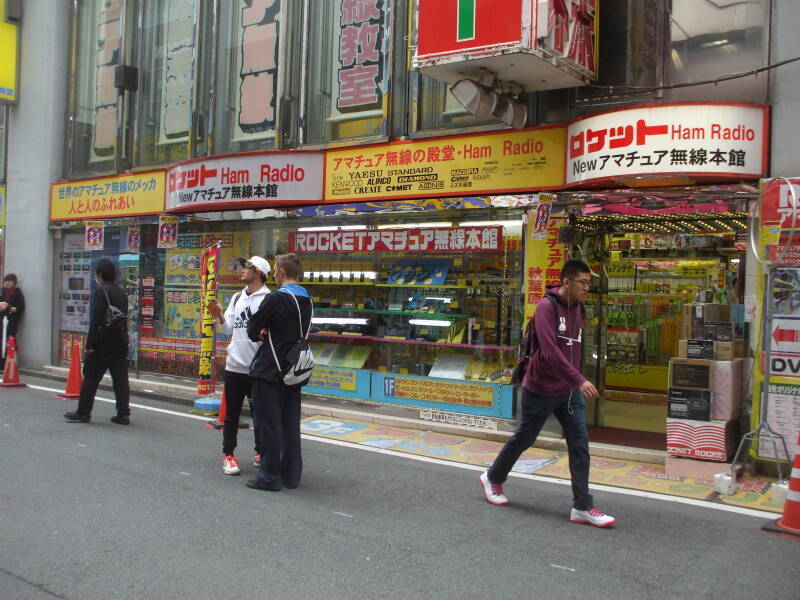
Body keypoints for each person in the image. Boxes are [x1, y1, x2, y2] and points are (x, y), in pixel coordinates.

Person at [479, 259, 616, 527]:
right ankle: (493, 477)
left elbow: (574, 348)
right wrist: (579, 379)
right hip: (540, 388)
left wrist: (574, 381)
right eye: (583, 282)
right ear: (567, 282)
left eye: (590, 283)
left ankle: (582, 507)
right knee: (524, 438)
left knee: (580, 444)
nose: (588, 288)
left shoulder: (579, 308)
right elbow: (551, 351)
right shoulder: (546, 307)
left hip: (568, 392)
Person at [245, 253, 312, 491]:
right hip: (294, 369)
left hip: (270, 369)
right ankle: (291, 474)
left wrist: (262, 331)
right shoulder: (307, 299)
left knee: (269, 424)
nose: (274, 273)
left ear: (282, 272)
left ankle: (269, 476)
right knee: (290, 424)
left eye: (275, 269)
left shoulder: (275, 299)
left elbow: (253, 328)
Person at [207, 256, 271, 475]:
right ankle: (229, 455)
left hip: (258, 368)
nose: (243, 270)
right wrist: (220, 316)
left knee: (260, 414)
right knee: (231, 414)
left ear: (259, 273)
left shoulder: (269, 299)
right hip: (235, 366)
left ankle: (261, 452)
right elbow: (228, 330)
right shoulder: (237, 297)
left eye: (248, 267)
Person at [64, 259, 130, 425]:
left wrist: (90, 345)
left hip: (102, 343)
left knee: (91, 378)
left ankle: (83, 412)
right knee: (121, 380)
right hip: (119, 342)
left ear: (100, 275)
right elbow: (124, 320)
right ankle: (123, 414)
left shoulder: (102, 292)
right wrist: (125, 342)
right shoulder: (122, 293)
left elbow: (96, 320)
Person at [0, 273, 25, 369]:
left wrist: (8, 307)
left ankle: (8, 364)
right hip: (1, 320)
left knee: (9, 340)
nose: (7, 283)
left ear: (14, 283)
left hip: (11, 321)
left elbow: (20, 308)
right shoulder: (2, 292)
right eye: (6, 281)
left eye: (10, 281)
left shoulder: (17, 293)